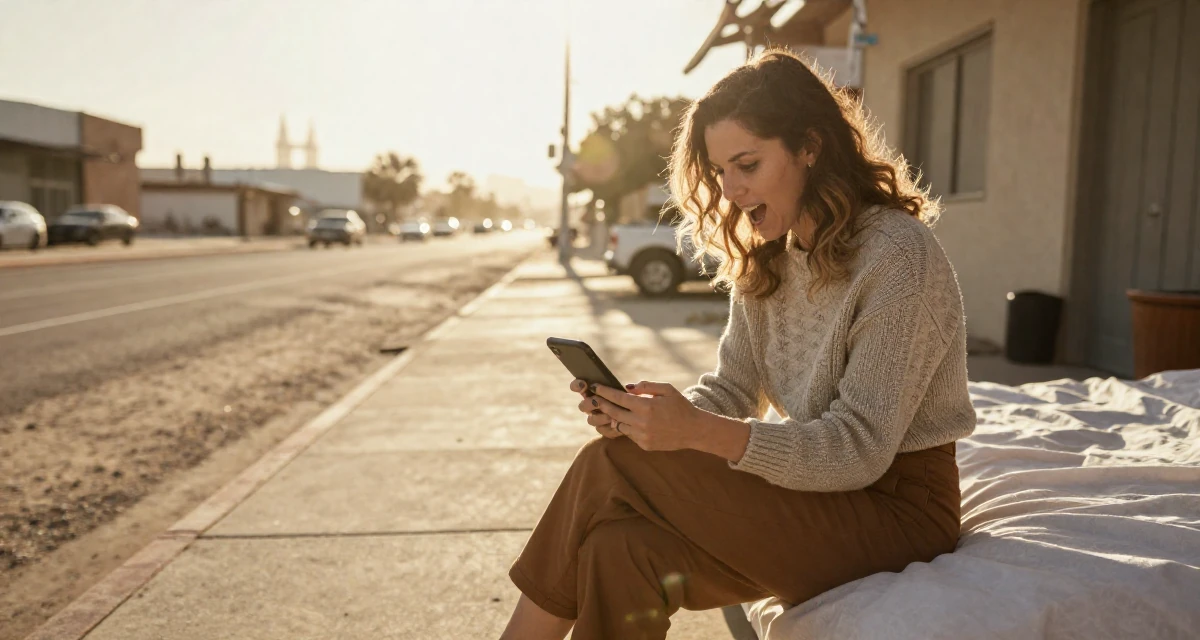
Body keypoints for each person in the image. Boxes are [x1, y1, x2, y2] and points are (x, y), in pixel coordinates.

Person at [500, 47, 975, 640]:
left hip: (897, 511)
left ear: (810, 146)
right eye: (721, 171)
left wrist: (695, 434)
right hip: (813, 499)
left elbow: (859, 448)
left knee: (610, 464)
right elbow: (733, 388)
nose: (732, 190)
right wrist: (655, 417)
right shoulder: (769, 258)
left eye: (747, 164)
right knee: (618, 548)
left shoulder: (898, 257)